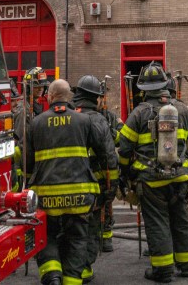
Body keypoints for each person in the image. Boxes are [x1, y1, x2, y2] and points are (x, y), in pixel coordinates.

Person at [119, 62, 188, 283]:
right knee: (181, 221)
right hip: (180, 177)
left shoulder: (139, 113)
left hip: (151, 181)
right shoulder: (182, 109)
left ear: (143, 89)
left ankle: (163, 270)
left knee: (157, 224)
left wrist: (125, 173)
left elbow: (124, 148)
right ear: (165, 85)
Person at [27, 79, 117, 285]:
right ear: (69, 96)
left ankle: (52, 275)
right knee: (77, 239)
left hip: (47, 197)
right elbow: (105, 154)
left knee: (47, 234)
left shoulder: (36, 123)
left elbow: (28, 164)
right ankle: (72, 281)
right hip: (80, 196)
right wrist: (109, 188)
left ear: (49, 97)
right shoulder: (84, 121)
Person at [72, 75, 120, 281]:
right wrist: (112, 188)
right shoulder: (98, 120)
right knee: (91, 229)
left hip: (65, 184)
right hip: (92, 187)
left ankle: (67, 268)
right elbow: (109, 158)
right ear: (96, 98)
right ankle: (83, 270)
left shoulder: (67, 115)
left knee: (70, 229)